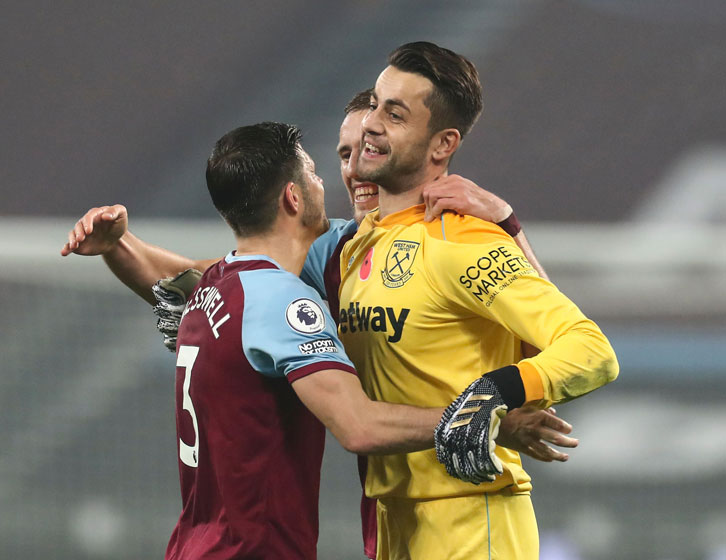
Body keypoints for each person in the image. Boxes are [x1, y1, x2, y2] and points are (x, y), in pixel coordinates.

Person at [61, 93, 578, 558]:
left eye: (370, 150)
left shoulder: (451, 242)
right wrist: (120, 247)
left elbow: (546, 326)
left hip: (466, 508)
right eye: (343, 155)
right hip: (381, 515)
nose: (355, 170)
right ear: (293, 194)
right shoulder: (331, 254)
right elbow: (195, 287)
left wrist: (508, 227)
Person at [336, 41, 619, 559]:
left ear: (442, 145)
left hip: (472, 516)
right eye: (375, 104)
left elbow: (590, 348)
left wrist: (495, 392)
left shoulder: (462, 239)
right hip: (394, 521)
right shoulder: (356, 247)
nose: (371, 124)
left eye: (394, 115)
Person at [156, 120, 482, 558]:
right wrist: (485, 417)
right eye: (311, 172)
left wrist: (116, 244)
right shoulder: (281, 299)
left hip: (194, 546)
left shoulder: (213, 285)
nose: (323, 181)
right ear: (293, 196)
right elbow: (359, 426)